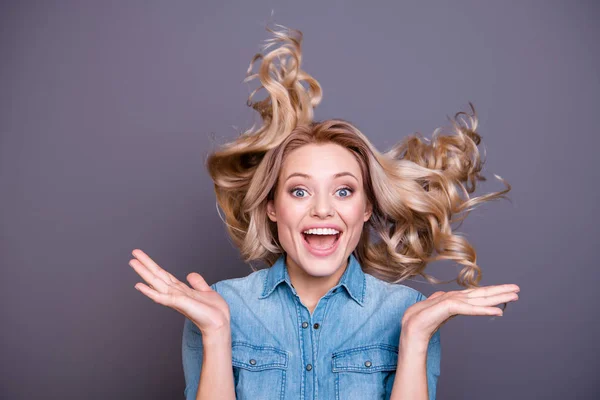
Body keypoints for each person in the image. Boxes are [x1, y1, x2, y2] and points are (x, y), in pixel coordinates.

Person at [128, 24, 520, 400]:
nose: (321, 209)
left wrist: (415, 338)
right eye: (299, 190)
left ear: (367, 207)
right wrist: (215, 332)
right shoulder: (216, 307)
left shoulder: (408, 313)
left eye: (344, 191)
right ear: (272, 207)